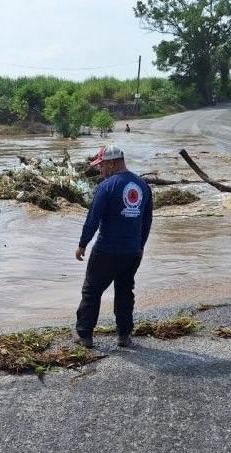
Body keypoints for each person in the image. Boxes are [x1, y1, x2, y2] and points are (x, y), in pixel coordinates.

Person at [75, 144, 153, 348]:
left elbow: (93, 218)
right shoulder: (143, 185)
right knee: (125, 290)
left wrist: (82, 244)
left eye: (102, 165)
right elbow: (146, 221)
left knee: (92, 291)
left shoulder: (106, 186)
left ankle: (85, 336)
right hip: (132, 251)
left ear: (112, 163)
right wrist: (141, 246)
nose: (100, 169)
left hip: (107, 250)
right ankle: (124, 336)